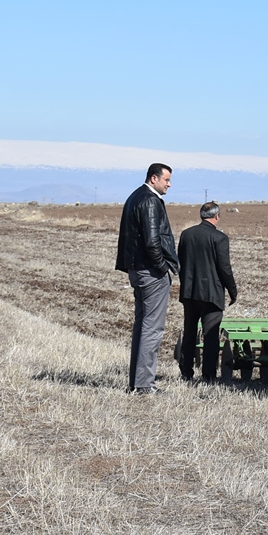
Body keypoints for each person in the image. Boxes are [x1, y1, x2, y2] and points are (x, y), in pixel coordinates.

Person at [115, 163, 178, 394]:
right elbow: (152, 241)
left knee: (143, 326)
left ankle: (137, 382)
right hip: (151, 273)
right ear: (154, 178)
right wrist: (163, 268)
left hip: (137, 270)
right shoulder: (151, 201)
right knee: (152, 328)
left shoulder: (134, 197)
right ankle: (144, 385)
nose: (169, 184)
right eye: (166, 180)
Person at [176, 201, 238, 382]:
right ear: (217, 216)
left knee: (189, 333)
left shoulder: (186, 235)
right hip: (211, 294)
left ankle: (186, 372)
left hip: (189, 292)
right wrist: (232, 291)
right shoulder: (220, 238)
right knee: (210, 335)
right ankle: (209, 375)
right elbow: (225, 268)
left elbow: (182, 262)